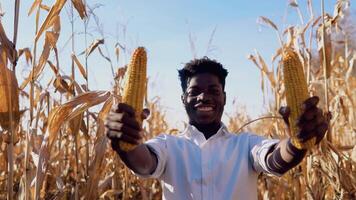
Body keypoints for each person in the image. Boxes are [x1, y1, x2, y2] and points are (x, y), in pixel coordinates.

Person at [105, 57, 329, 200]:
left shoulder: (246, 145)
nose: (204, 97)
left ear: (224, 97)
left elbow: (274, 159)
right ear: (184, 99)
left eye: (213, 90)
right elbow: (144, 163)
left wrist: (297, 143)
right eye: (195, 92)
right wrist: (128, 144)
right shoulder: (168, 146)